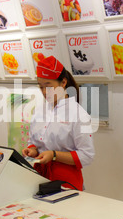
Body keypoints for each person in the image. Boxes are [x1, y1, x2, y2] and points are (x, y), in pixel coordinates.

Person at [22, 56, 95, 191]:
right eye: (41, 86)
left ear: (63, 83)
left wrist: (54, 155)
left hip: (65, 181)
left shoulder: (79, 114)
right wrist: (32, 150)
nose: (44, 92)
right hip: (39, 177)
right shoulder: (39, 110)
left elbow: (87, 155)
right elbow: (33, 141)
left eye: (48, 86)